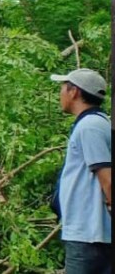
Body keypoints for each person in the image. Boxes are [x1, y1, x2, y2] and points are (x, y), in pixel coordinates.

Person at [50, 68, 110, 274]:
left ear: (74, 92)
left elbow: (108, 180)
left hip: (89, 234)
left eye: (63, 88)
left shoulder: (90, 126)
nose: (60, 93)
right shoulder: (98, 123)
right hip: (89, 233)